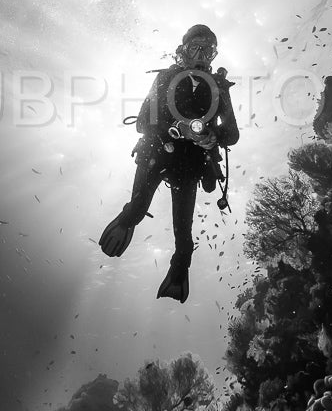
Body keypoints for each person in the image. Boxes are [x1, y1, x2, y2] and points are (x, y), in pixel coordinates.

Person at [99, 24, 239, 302]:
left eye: (207, 50)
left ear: (214, 55)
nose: (200, 54)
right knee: (138, 208)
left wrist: (213, 136)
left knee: (184, 239)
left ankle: (178, 274)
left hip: (191, 166)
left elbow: (232, 133)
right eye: (194, 47)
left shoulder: (219, 88)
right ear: (182, 51)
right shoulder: (166, 78)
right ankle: (127, 220)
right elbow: (141, 122)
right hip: (156, 155)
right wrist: (177, 127)